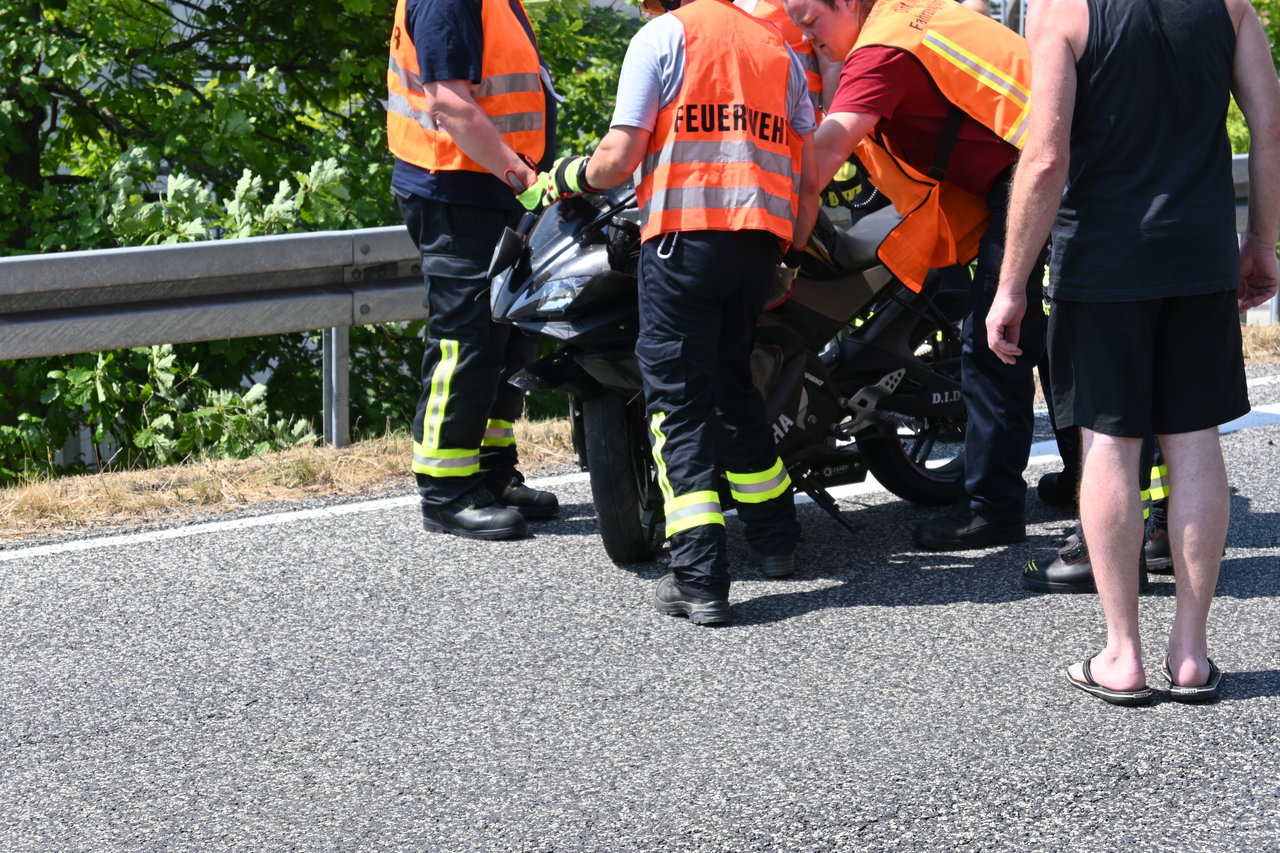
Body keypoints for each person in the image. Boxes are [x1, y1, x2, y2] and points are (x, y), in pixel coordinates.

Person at [987, 0, 1280, 705]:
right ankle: (1190, 654)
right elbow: (1269, 128)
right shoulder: (1230, 6)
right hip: (1199, 254)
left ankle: (1122, 654)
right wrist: (1262, 242)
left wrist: (1011, 284)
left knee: (1111, 443)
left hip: (1104, 260)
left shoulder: (1062, 11)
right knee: (1195, 438)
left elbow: (1047, 153)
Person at [537, 0, 820, 624]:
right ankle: (776, 540)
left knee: (677, 401)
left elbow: (616, 160)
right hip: (758, 246)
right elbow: (807, 171)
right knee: (731, 389)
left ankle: (699, 578)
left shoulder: (662, 38)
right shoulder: (776, 48)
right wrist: (790, 257)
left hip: (683, 243)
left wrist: (563, 177)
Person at [782, 0, 1047, 551]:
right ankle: (1082, 480)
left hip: (1041, 171)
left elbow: (828, 149)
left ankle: (993, 509)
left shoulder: (882, 51)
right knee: (1041, 332)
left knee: (993, 338)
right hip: (1040, 162)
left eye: (811, 19)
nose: (806, 35)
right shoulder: (903, 15)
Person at [385, 0, 561, 540]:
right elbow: (449, 105)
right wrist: (521, 177)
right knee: (468, 340)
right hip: (460, 192)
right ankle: (446, 492)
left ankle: (491, 471)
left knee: (508, 336)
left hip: (494, 187)